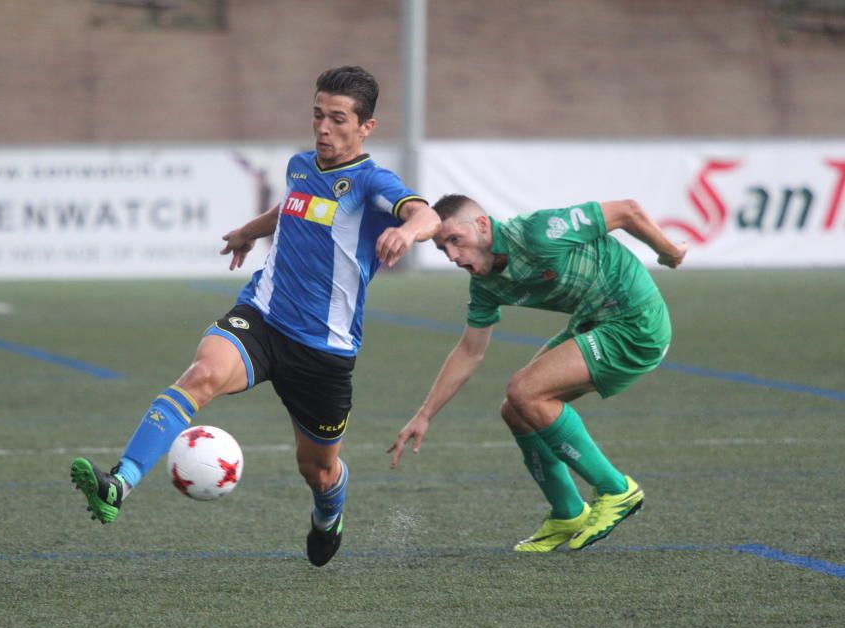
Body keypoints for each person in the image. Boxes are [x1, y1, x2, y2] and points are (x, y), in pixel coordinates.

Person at [71, 66, 441, 567]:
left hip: (323, 351)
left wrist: (409, 231)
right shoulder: (299, 165)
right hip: (263, 317)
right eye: (317, 115)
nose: (323, 128)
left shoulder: (374, 182)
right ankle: (120, 483)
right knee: (201, 375)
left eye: (337, 119)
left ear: (365, 127)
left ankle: (328, 514)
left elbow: (428, 214)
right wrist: (249, 231)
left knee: (318, 470)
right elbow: (291, 208)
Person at [388, 194, 685, 552]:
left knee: (525, 391)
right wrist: (424, 415)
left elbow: (627, 211)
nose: (452, 256)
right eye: (442, 248)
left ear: (482, 225)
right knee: (515, 409)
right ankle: (567, 512)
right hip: (594, 321)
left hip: (635, 322)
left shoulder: (537, 234)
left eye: (455, 240)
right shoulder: (484, 284)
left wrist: (669, 251)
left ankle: (615, 490)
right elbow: (469, 351)